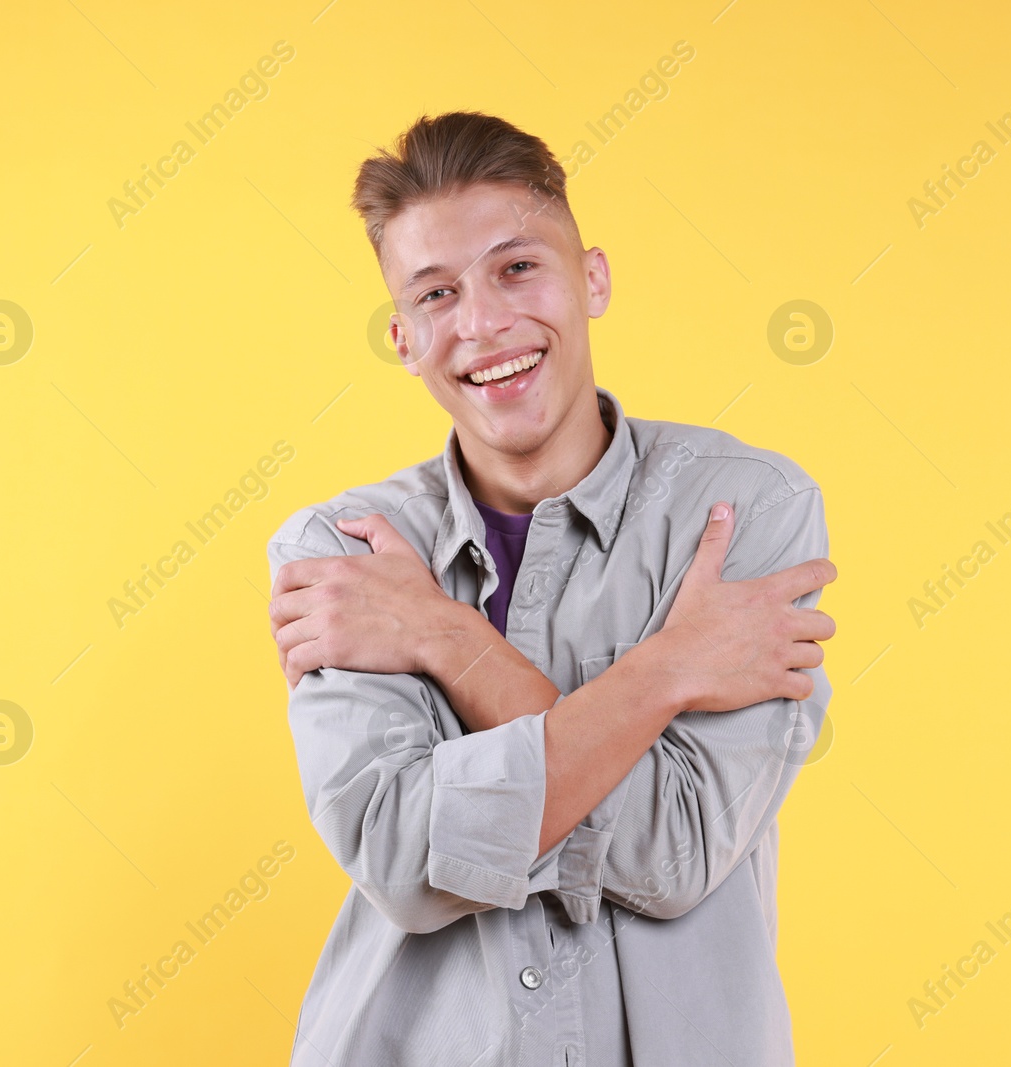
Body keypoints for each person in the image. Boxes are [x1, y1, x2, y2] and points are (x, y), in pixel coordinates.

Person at [266, 110, 837, 1067]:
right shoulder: (345, 552)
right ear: (404, 338)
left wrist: (446, 641)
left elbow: (679, 850)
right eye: (437, 292)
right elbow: (404, 864)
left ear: (593, 280)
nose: (484, 321)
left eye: (517, 267)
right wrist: (670, 672)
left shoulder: (748, 510)